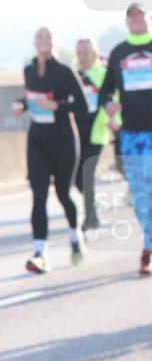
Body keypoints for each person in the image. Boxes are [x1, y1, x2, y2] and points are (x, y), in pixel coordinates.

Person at [11, 27, 88, 274]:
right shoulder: (29, 70)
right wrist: (20, 105)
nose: (43, 41)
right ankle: (40, 253)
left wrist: (56, 105)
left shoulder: (64, 72)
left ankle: (74, 235)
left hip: (63, 140)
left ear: (55, 42)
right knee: (39, 194)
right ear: (34, 42)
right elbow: (30, 98)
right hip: (37, 140)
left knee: (63, 193)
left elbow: (82, 105)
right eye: (39, 37)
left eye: (48, 37)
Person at [99, 2, 152, 276]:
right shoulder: (119, 53)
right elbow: (105, 91)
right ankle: (149, 246)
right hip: (130, 135)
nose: (136, 20)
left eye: (140, 15)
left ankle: (148, 249)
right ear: (126, 21)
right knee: (140, 195)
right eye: (131, 16)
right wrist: (108, 103)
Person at [73, 37, 112, 232]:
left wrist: (114, 120)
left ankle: (90, 216)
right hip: (76, 133)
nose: (83, 57)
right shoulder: (73, 74)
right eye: (79, 53)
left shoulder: (103, 74)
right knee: (77, 180)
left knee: (86, 175)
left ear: (94, 54)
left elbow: (114, 99)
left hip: (96, 132)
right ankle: (93, 210)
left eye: (86, 53)